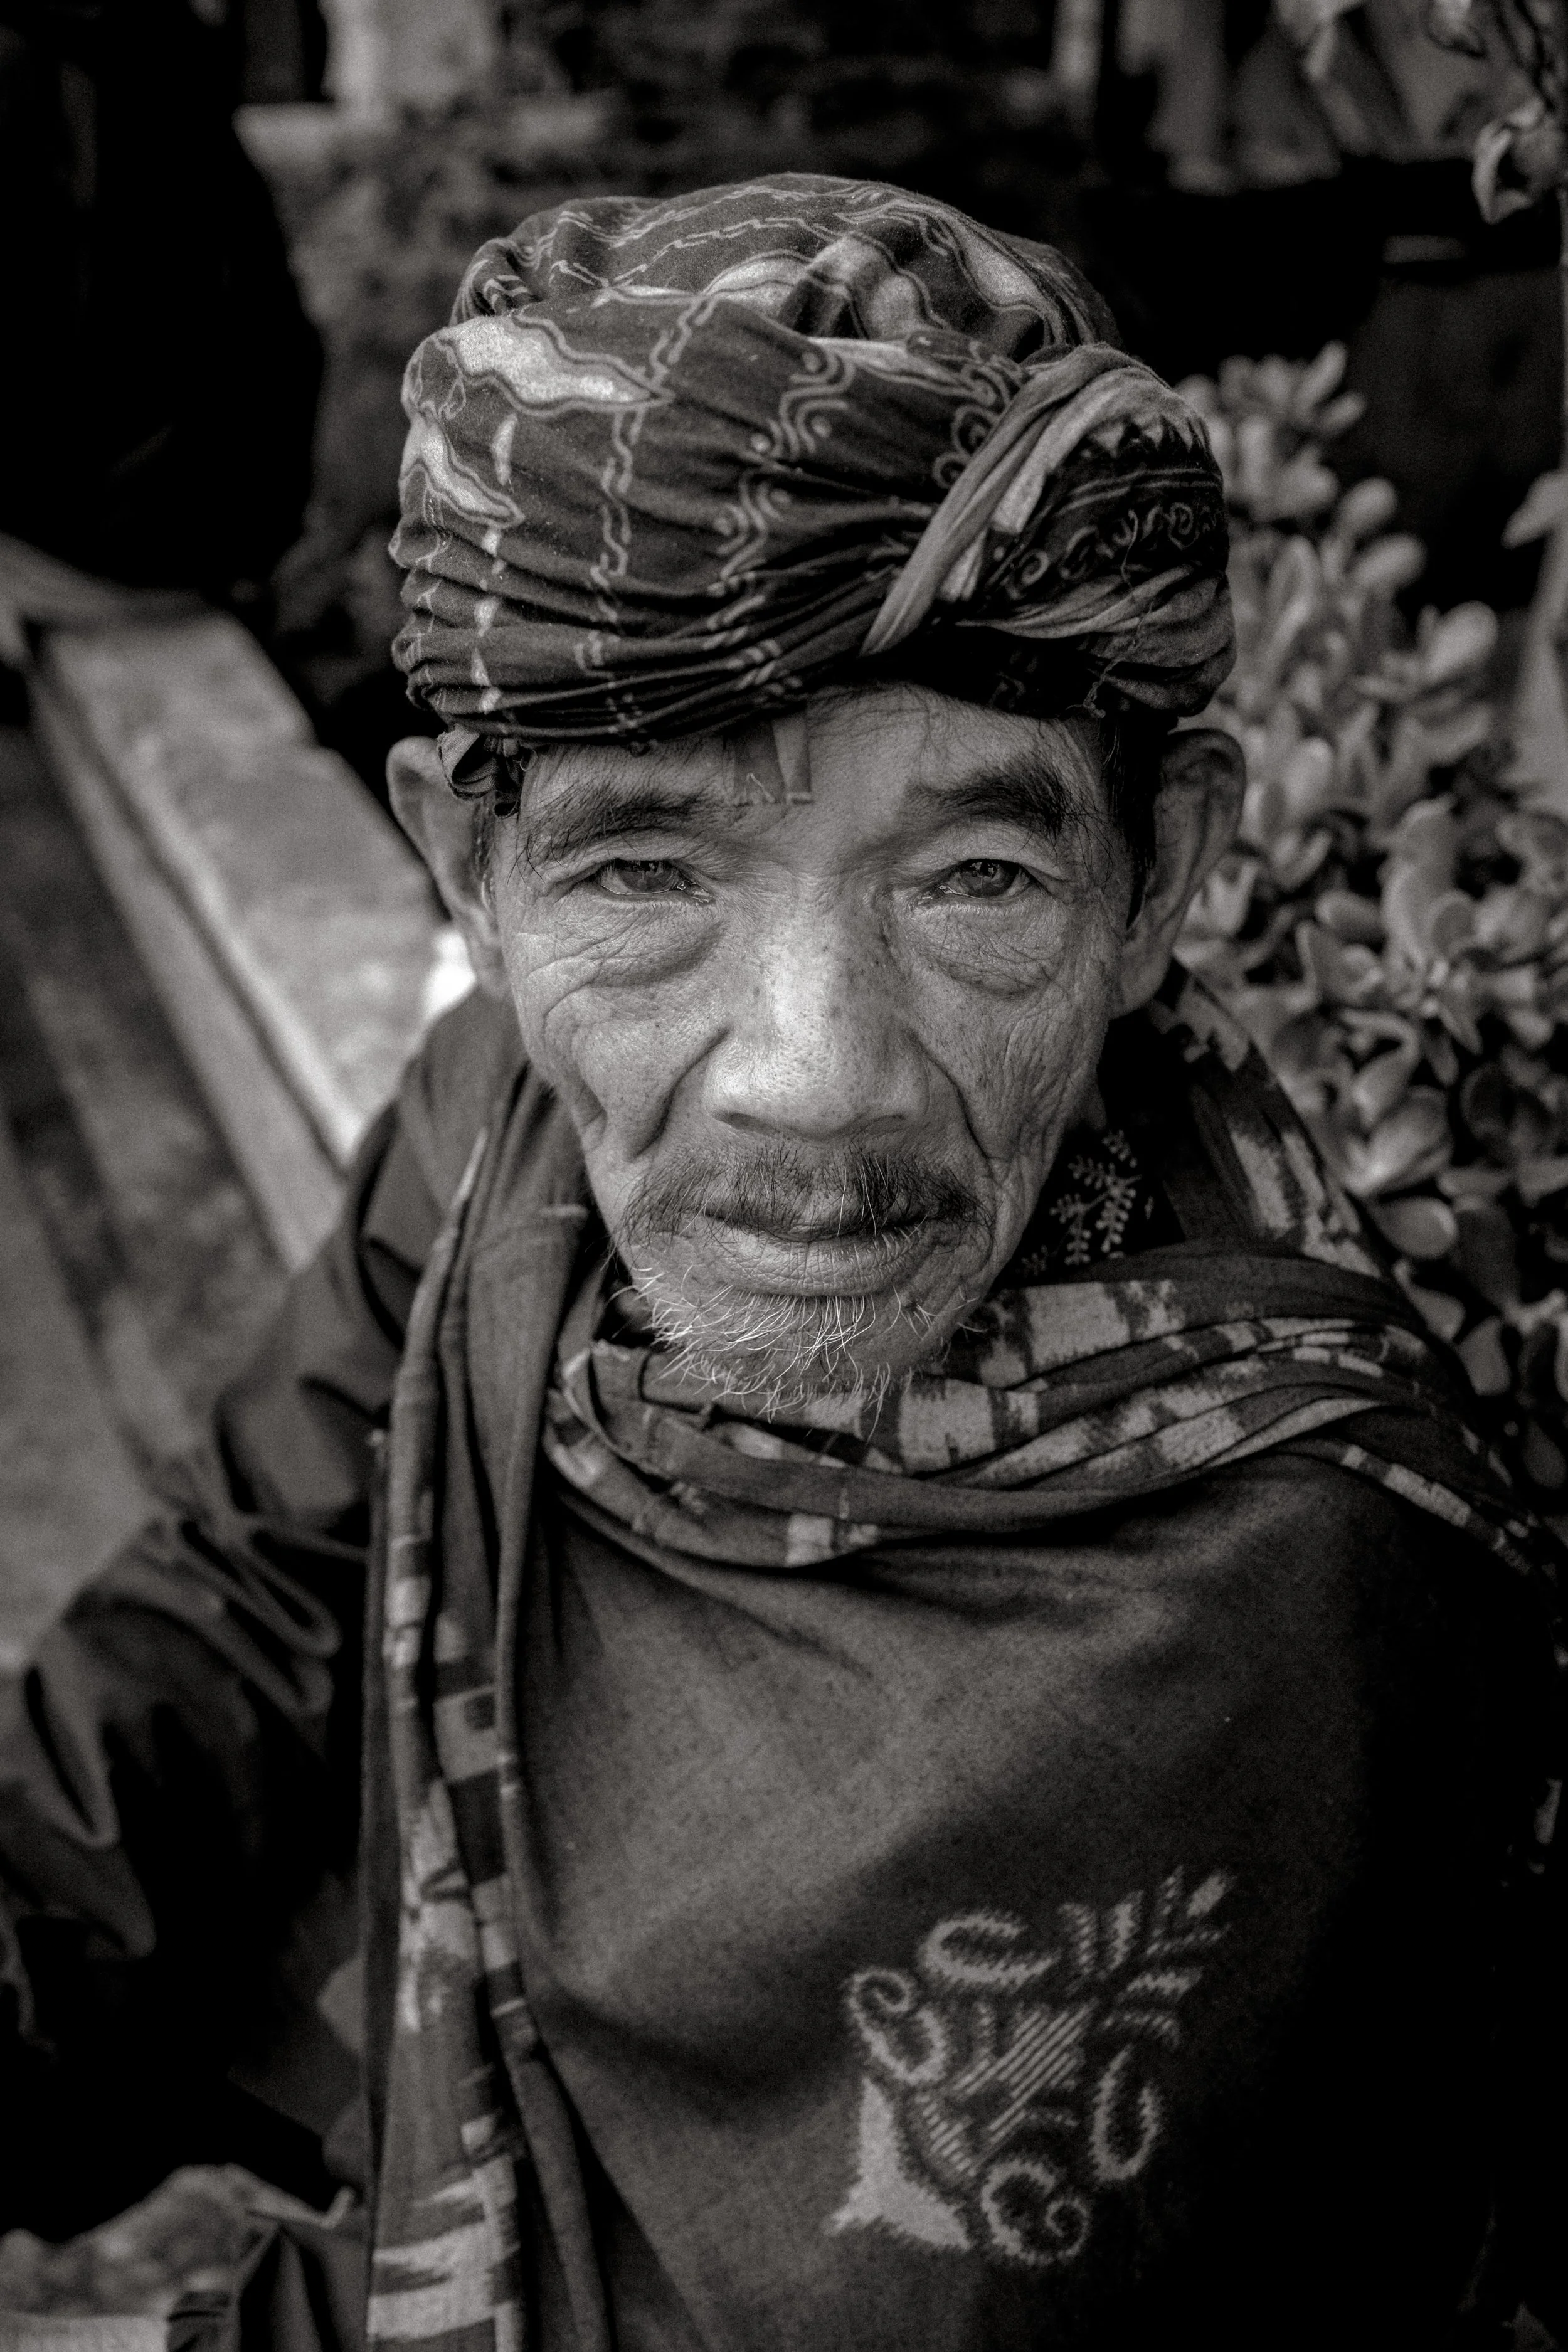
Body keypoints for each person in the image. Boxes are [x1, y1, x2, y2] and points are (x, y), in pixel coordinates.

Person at [1, 175, 1564, 2351]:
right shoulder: (502, 1123)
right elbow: (259, 1582)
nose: (808, 1081)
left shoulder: (1276, 1604)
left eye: (977, 875)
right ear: (470, 858)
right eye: (648, 862)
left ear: (1155, 879)